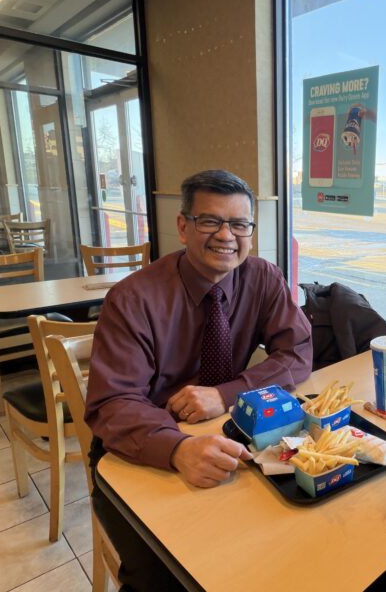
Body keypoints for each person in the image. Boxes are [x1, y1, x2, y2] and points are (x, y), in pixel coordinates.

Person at [86, 169, 312, 590]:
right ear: (183, 227)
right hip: (142, 449)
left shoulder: (262, 277)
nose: (227, 235)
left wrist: (224, 395)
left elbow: (296, 353)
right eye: (210, 221)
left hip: (227, 433)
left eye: (240, 224)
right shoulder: (134, 298)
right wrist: (177, 449)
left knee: (285, 554)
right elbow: (112, 404)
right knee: (168, 579)